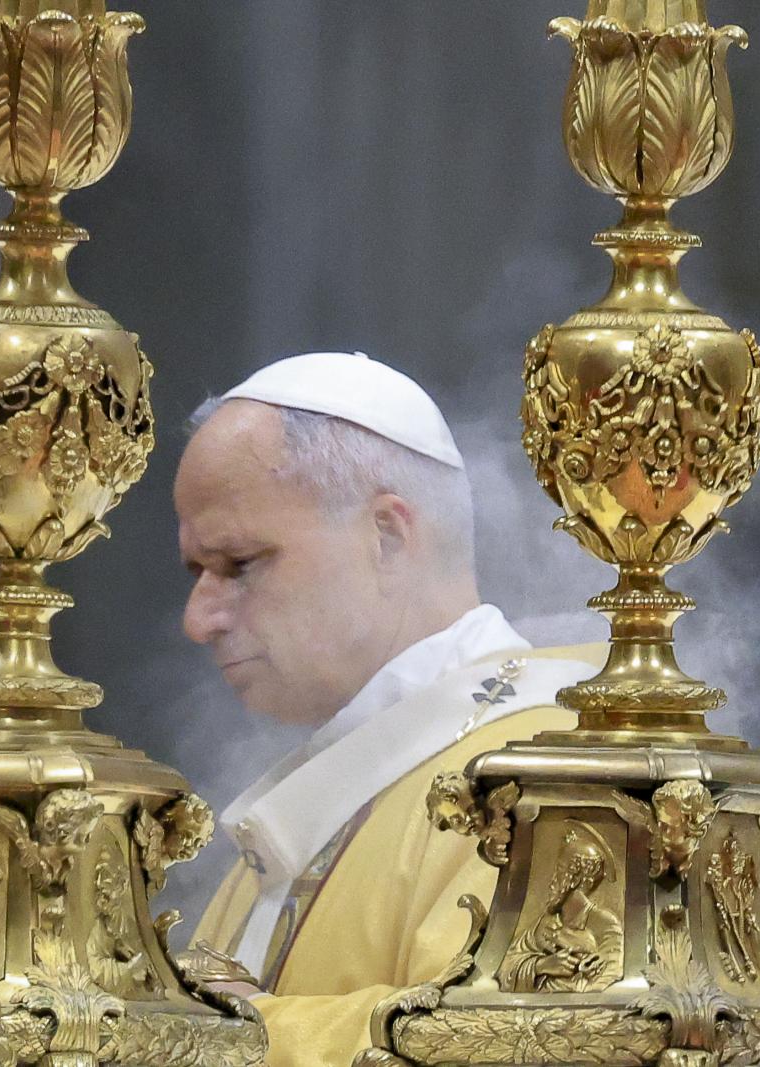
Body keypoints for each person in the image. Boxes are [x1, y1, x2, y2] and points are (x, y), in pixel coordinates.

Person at [179, 352, 601, 1067]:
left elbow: (519, 1044)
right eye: (197, 571)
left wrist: (220, 1037)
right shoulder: (323, 790)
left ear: (388, 537)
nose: (200, 619)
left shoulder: (543, 781)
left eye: (240, 562)